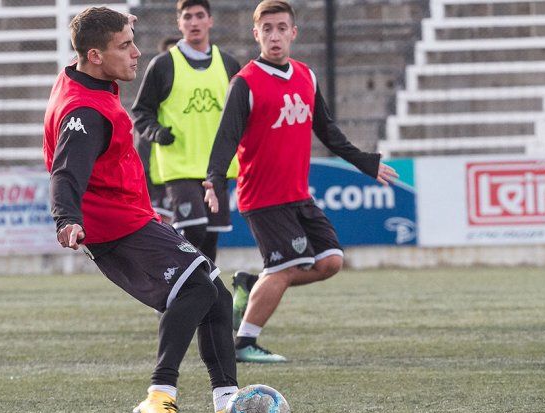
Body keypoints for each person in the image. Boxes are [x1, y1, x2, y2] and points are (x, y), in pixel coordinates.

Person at [43, 8, 237, 413]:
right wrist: (66, 218)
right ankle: (159, 396)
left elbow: (89, 34)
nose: (137, 53)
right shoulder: (85, 110)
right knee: (199, 289)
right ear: (95, 55)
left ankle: (228, 409)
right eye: (125, 45)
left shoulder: (84, 78)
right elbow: (66, 172)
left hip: (134, 218)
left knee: (218, 298)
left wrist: (112, 19)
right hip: (118, 228)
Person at [203, 0, 399, 363]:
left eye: (281, 28)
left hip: (297, 194)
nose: (274, 36)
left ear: (294, 32)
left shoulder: (306, 76)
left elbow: (327, 130)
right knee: (284, 268)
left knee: (330, 261)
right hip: (262, 197)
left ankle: (251, 285)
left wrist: (365, 162)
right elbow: (226, 138)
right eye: (267, 29)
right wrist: (214, 178)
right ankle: (245, 343)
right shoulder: (245, 82)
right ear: (256, 34)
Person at [132, 0, 241, 263]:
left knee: (211, 236)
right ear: (179, 23)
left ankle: (205, 295)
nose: (194, 22)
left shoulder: (228, 64)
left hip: (217, 167)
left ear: (210, 20)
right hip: (179, 166)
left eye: (199, 16)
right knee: (193, 228)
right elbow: (140, 112)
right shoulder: (163, 65)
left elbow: (244, 113)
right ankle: (176, 289)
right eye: (187, 16)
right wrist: (157, 132)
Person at [136, 36, 181, 224]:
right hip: (156, 176)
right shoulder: (152, 97)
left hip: (183, 171)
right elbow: (143, 129)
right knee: (162, 224)